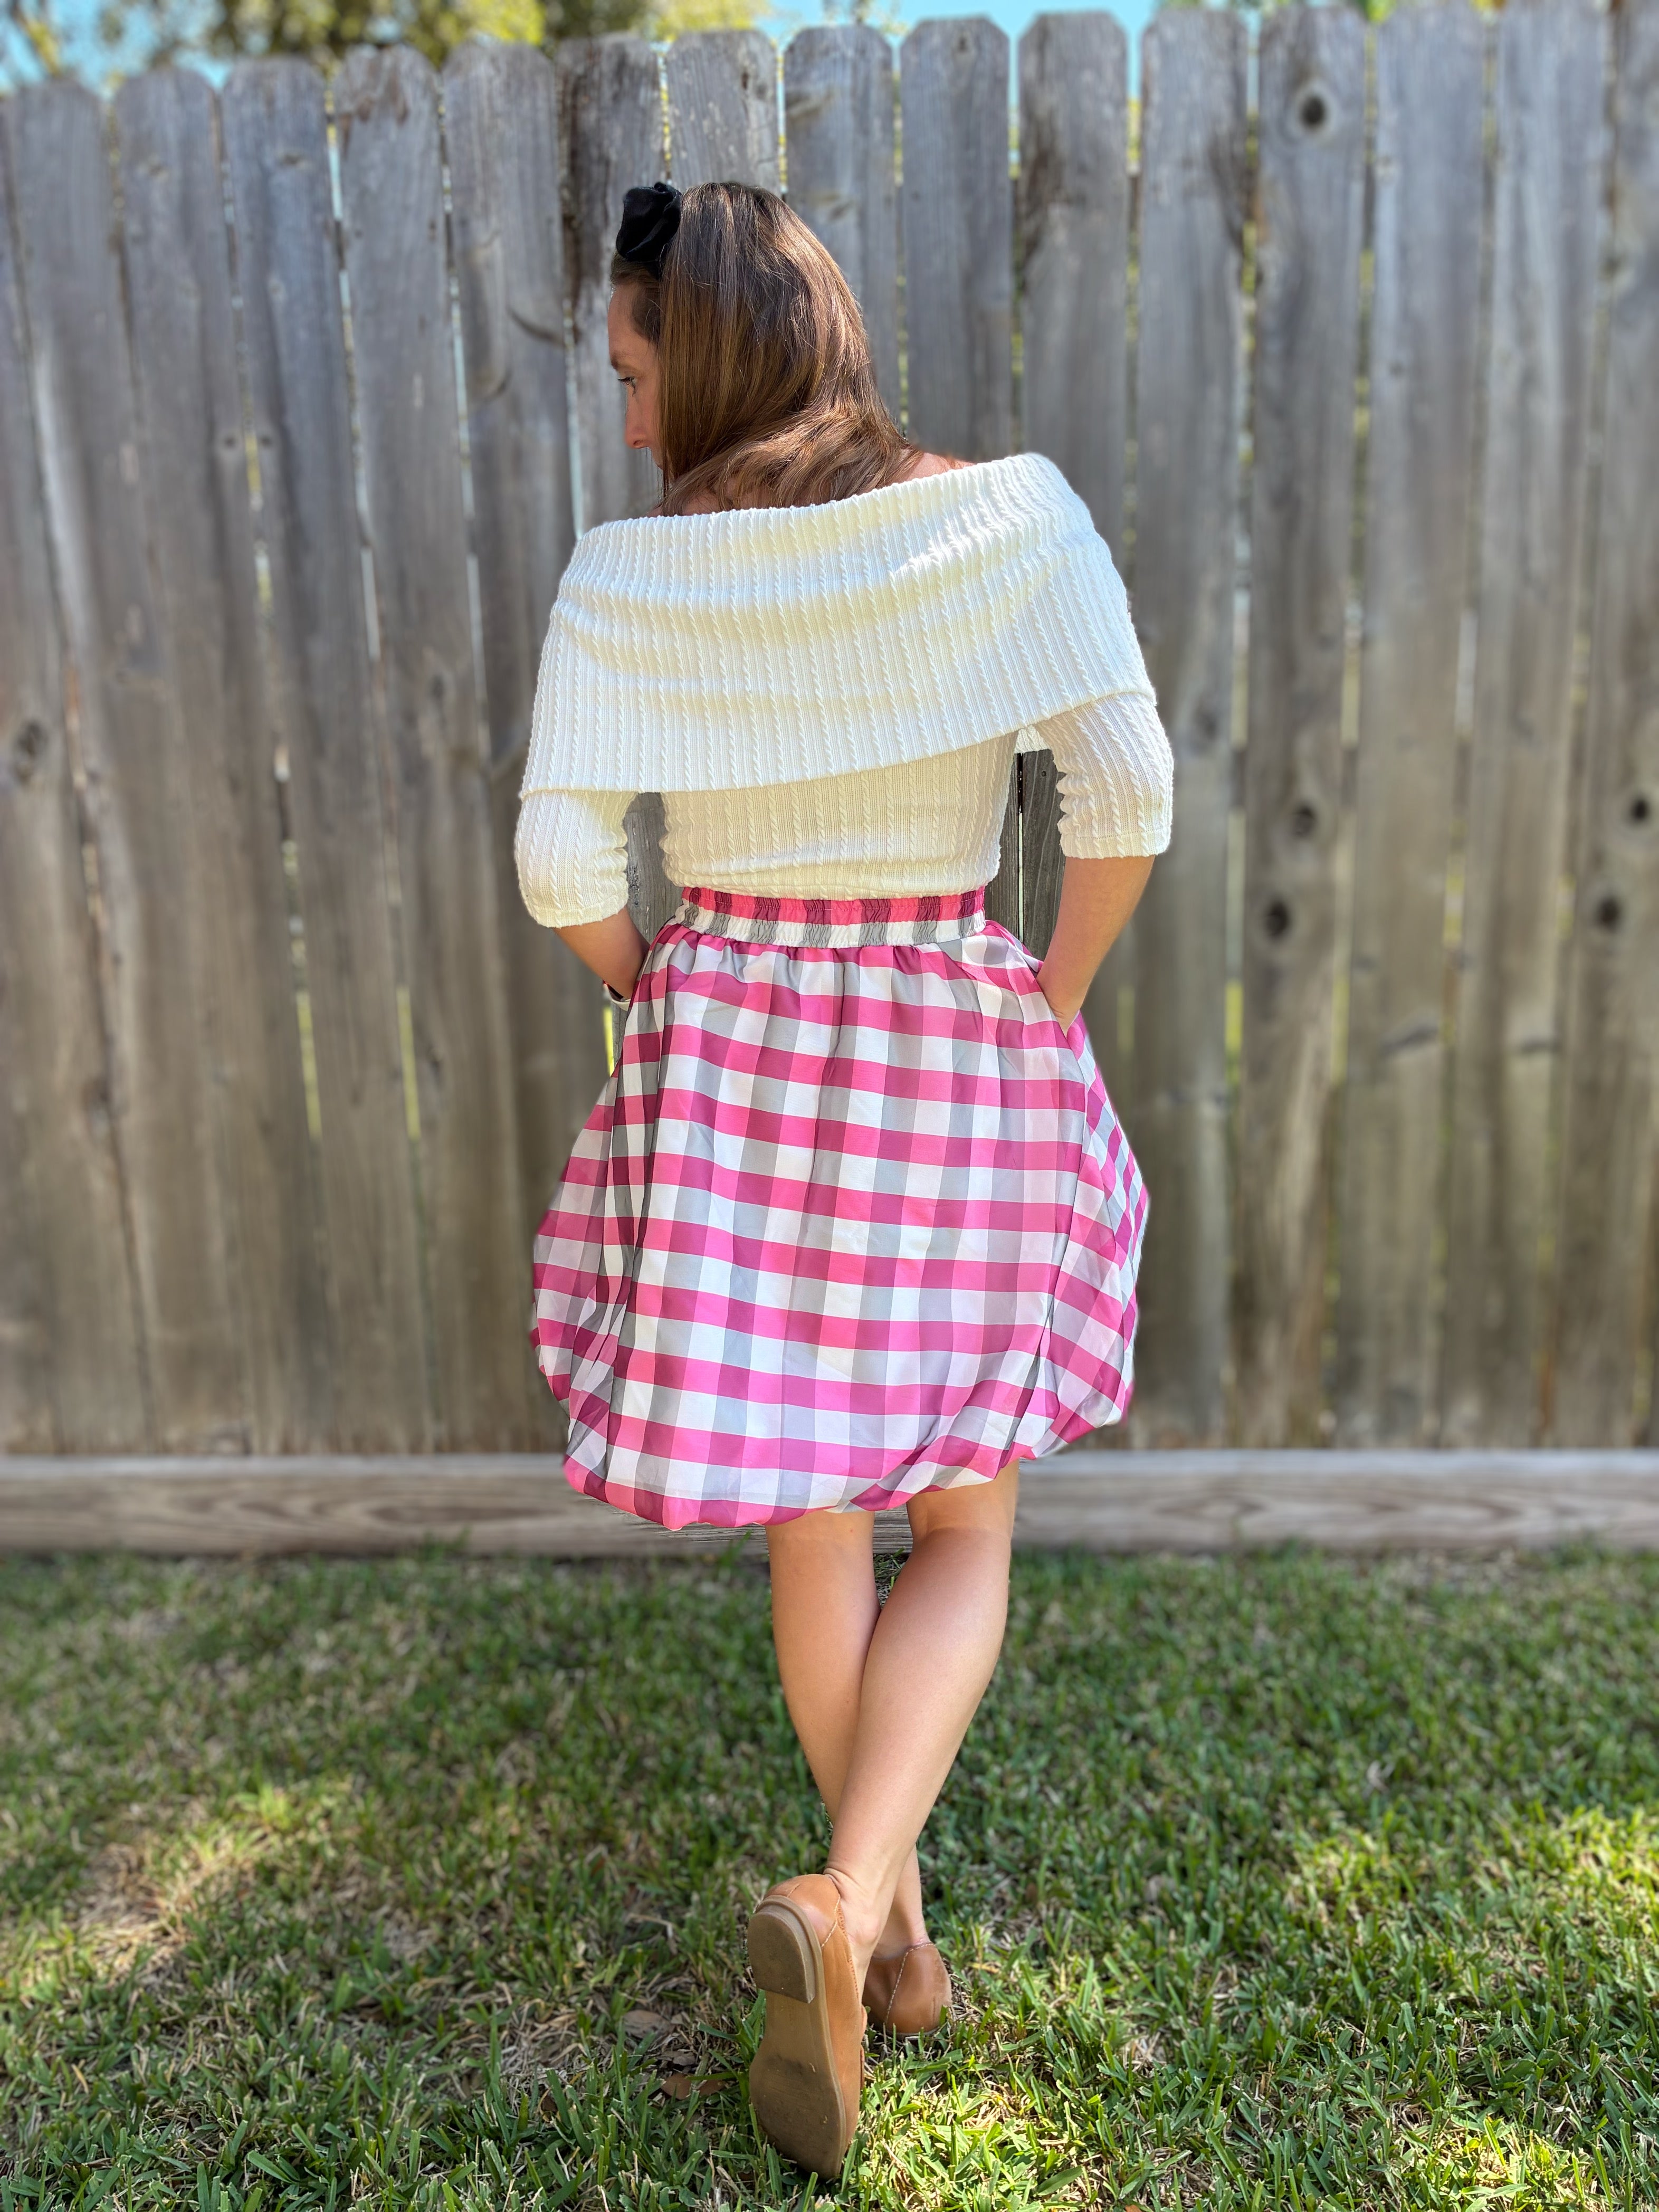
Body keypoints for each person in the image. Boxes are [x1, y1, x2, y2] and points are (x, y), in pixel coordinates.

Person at [514, 179, 1171, 2179]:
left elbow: (560, 868)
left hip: (730, 1056)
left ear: (703, 357)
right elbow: (1127, 794)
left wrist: (669, 991)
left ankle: (876, 1923)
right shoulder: (1011, 517)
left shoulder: (632, 574)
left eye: (636, 373)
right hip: (951, 1035)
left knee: (815, 1524)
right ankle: (867, 1907)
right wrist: (1038, 1007)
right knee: (962, 1519)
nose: (628, 420)